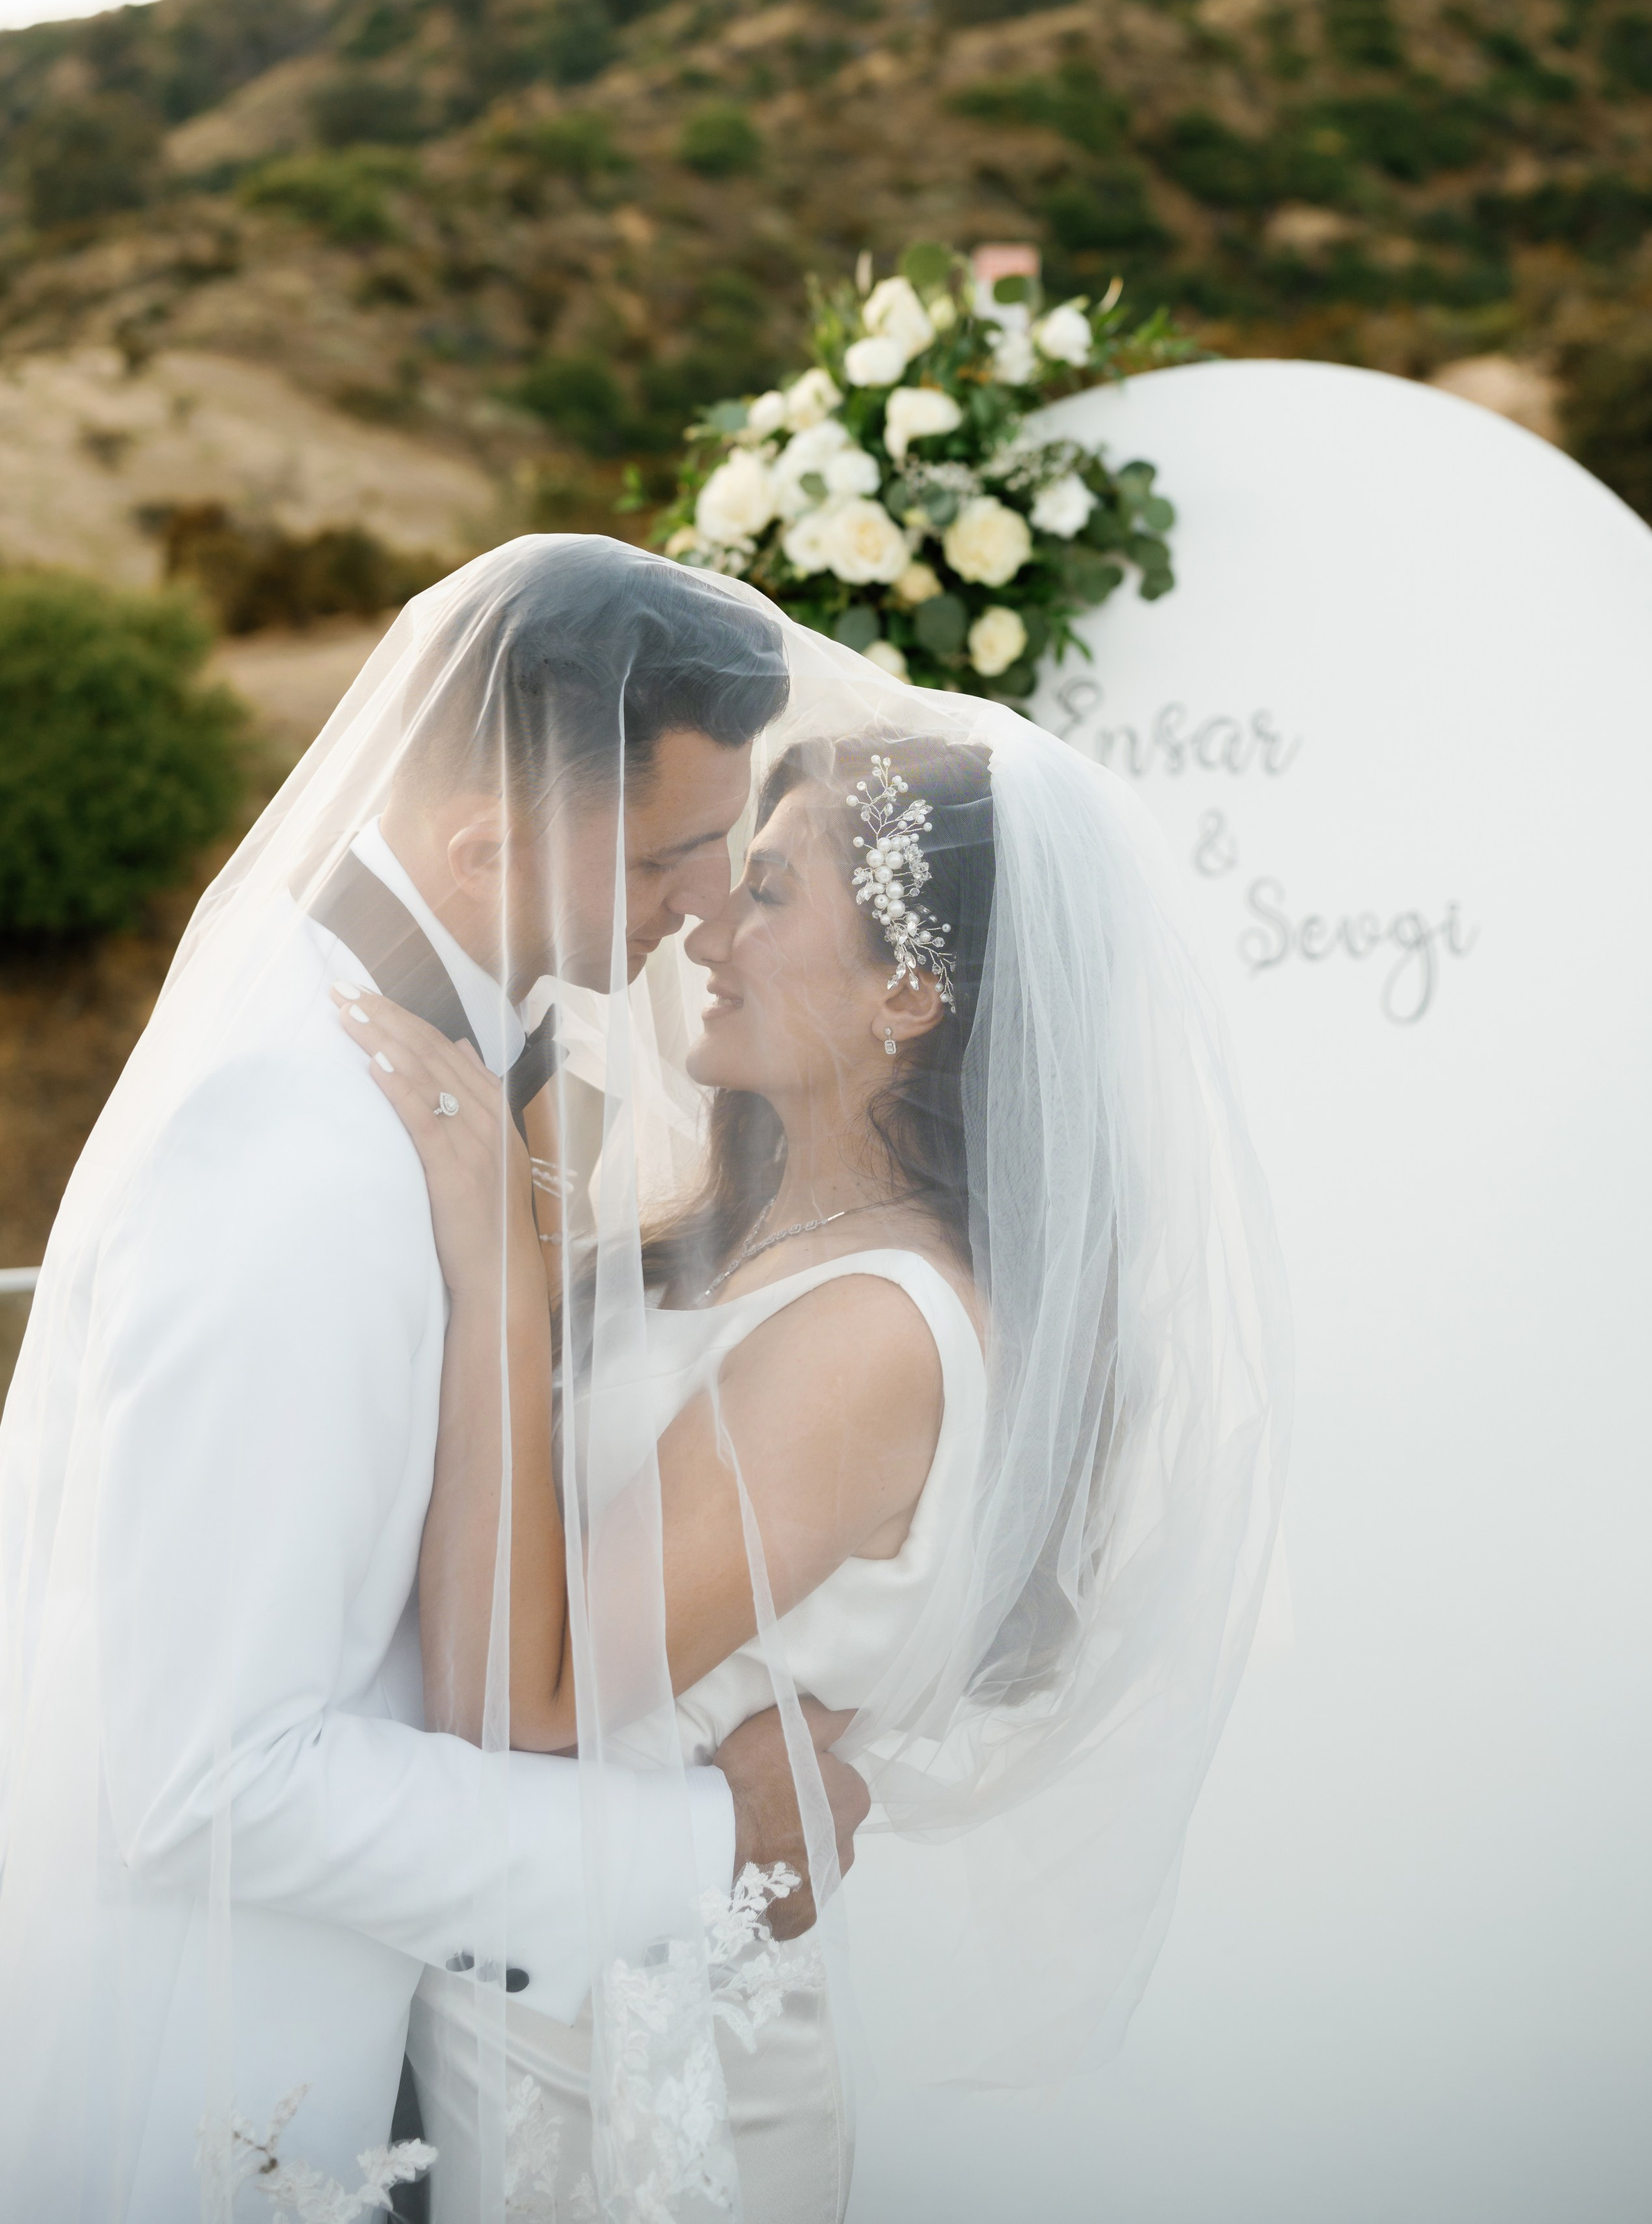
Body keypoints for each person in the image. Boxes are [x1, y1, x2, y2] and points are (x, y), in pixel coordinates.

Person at [332, 672, 1290, 2215]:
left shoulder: (872, 1331)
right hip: (520, 1974)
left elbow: (533, 1695)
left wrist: (503, 1280)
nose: (706, 922)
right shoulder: (744, 1239)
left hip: (638, 2068)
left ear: (904, 996)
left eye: (766, 888)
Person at [0, 540, 868, 2221]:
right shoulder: (302, 1144)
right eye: (669, 855)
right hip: (209, 2091)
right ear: (487, 844)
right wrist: (710, 1847)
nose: (709, 901)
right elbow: (205, 1778)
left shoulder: (401, 1059)